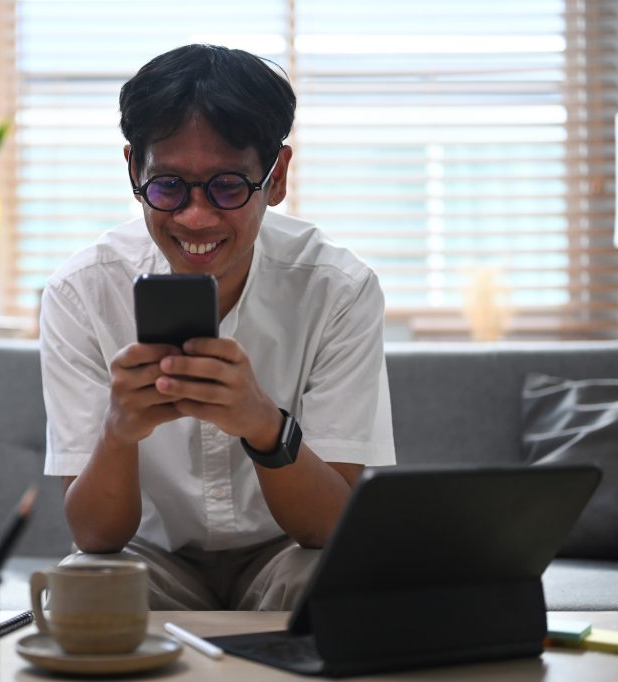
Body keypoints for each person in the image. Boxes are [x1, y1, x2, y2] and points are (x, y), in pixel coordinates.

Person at [39, 44, 396, 611]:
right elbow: (97, 537)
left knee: (335, 583)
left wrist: (264, 426)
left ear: (276, 176)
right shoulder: (81, 293)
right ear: (134, 170)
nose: (195, 218)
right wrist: (117, 432)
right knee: (85, 590)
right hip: (152, 555)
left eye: (228, 186)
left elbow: (330, 528)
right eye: (168, 186)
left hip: (287, 549)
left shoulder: (339, 288)